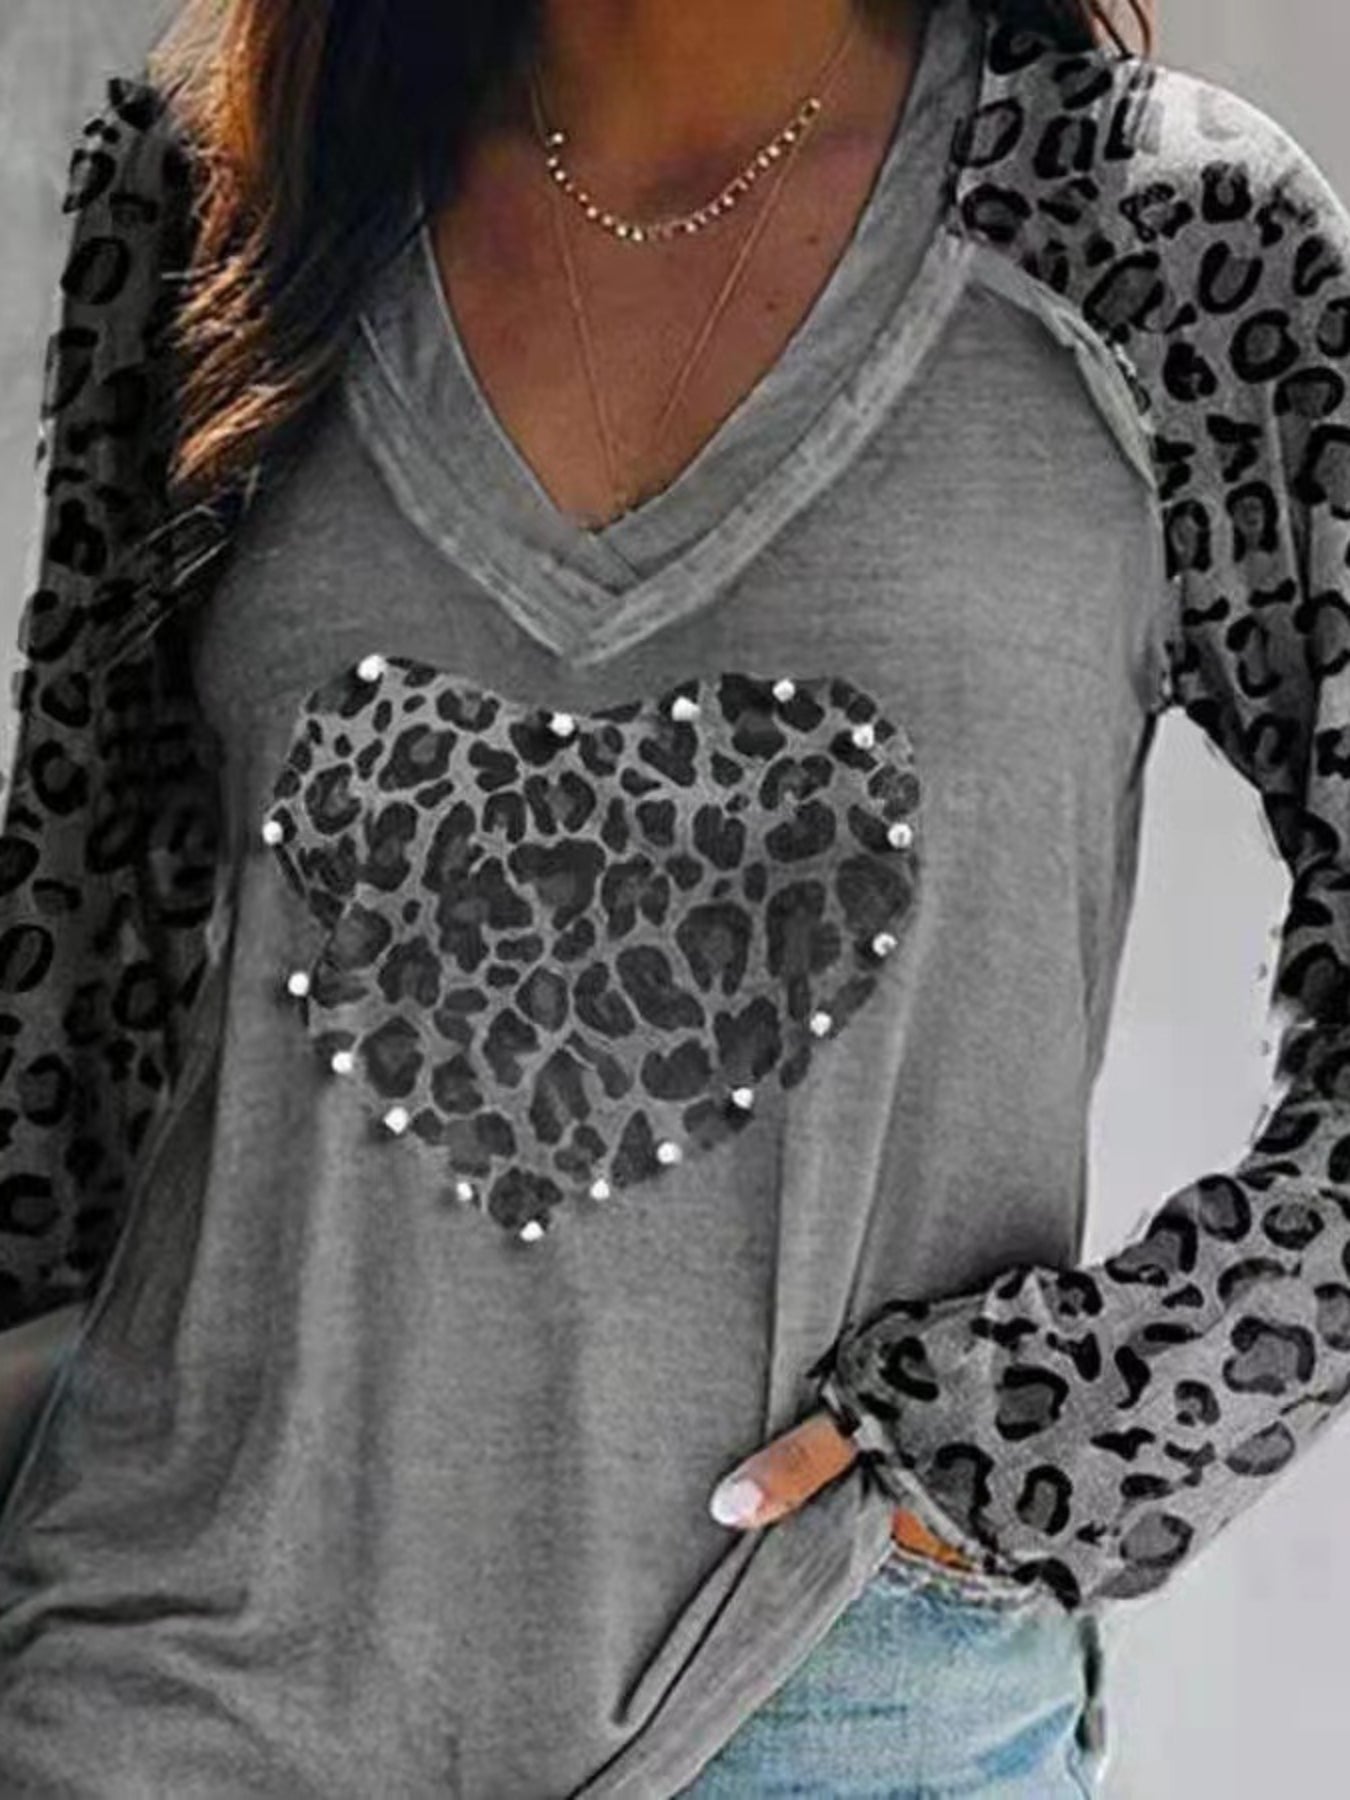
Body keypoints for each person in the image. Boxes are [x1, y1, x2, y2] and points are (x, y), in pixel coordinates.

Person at [0, 0, 1345, 1792]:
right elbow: (70, 995)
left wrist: (1071, 1433)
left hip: (827, 1686)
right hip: (172, 1681)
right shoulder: (225, 178)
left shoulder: (1155, 235)